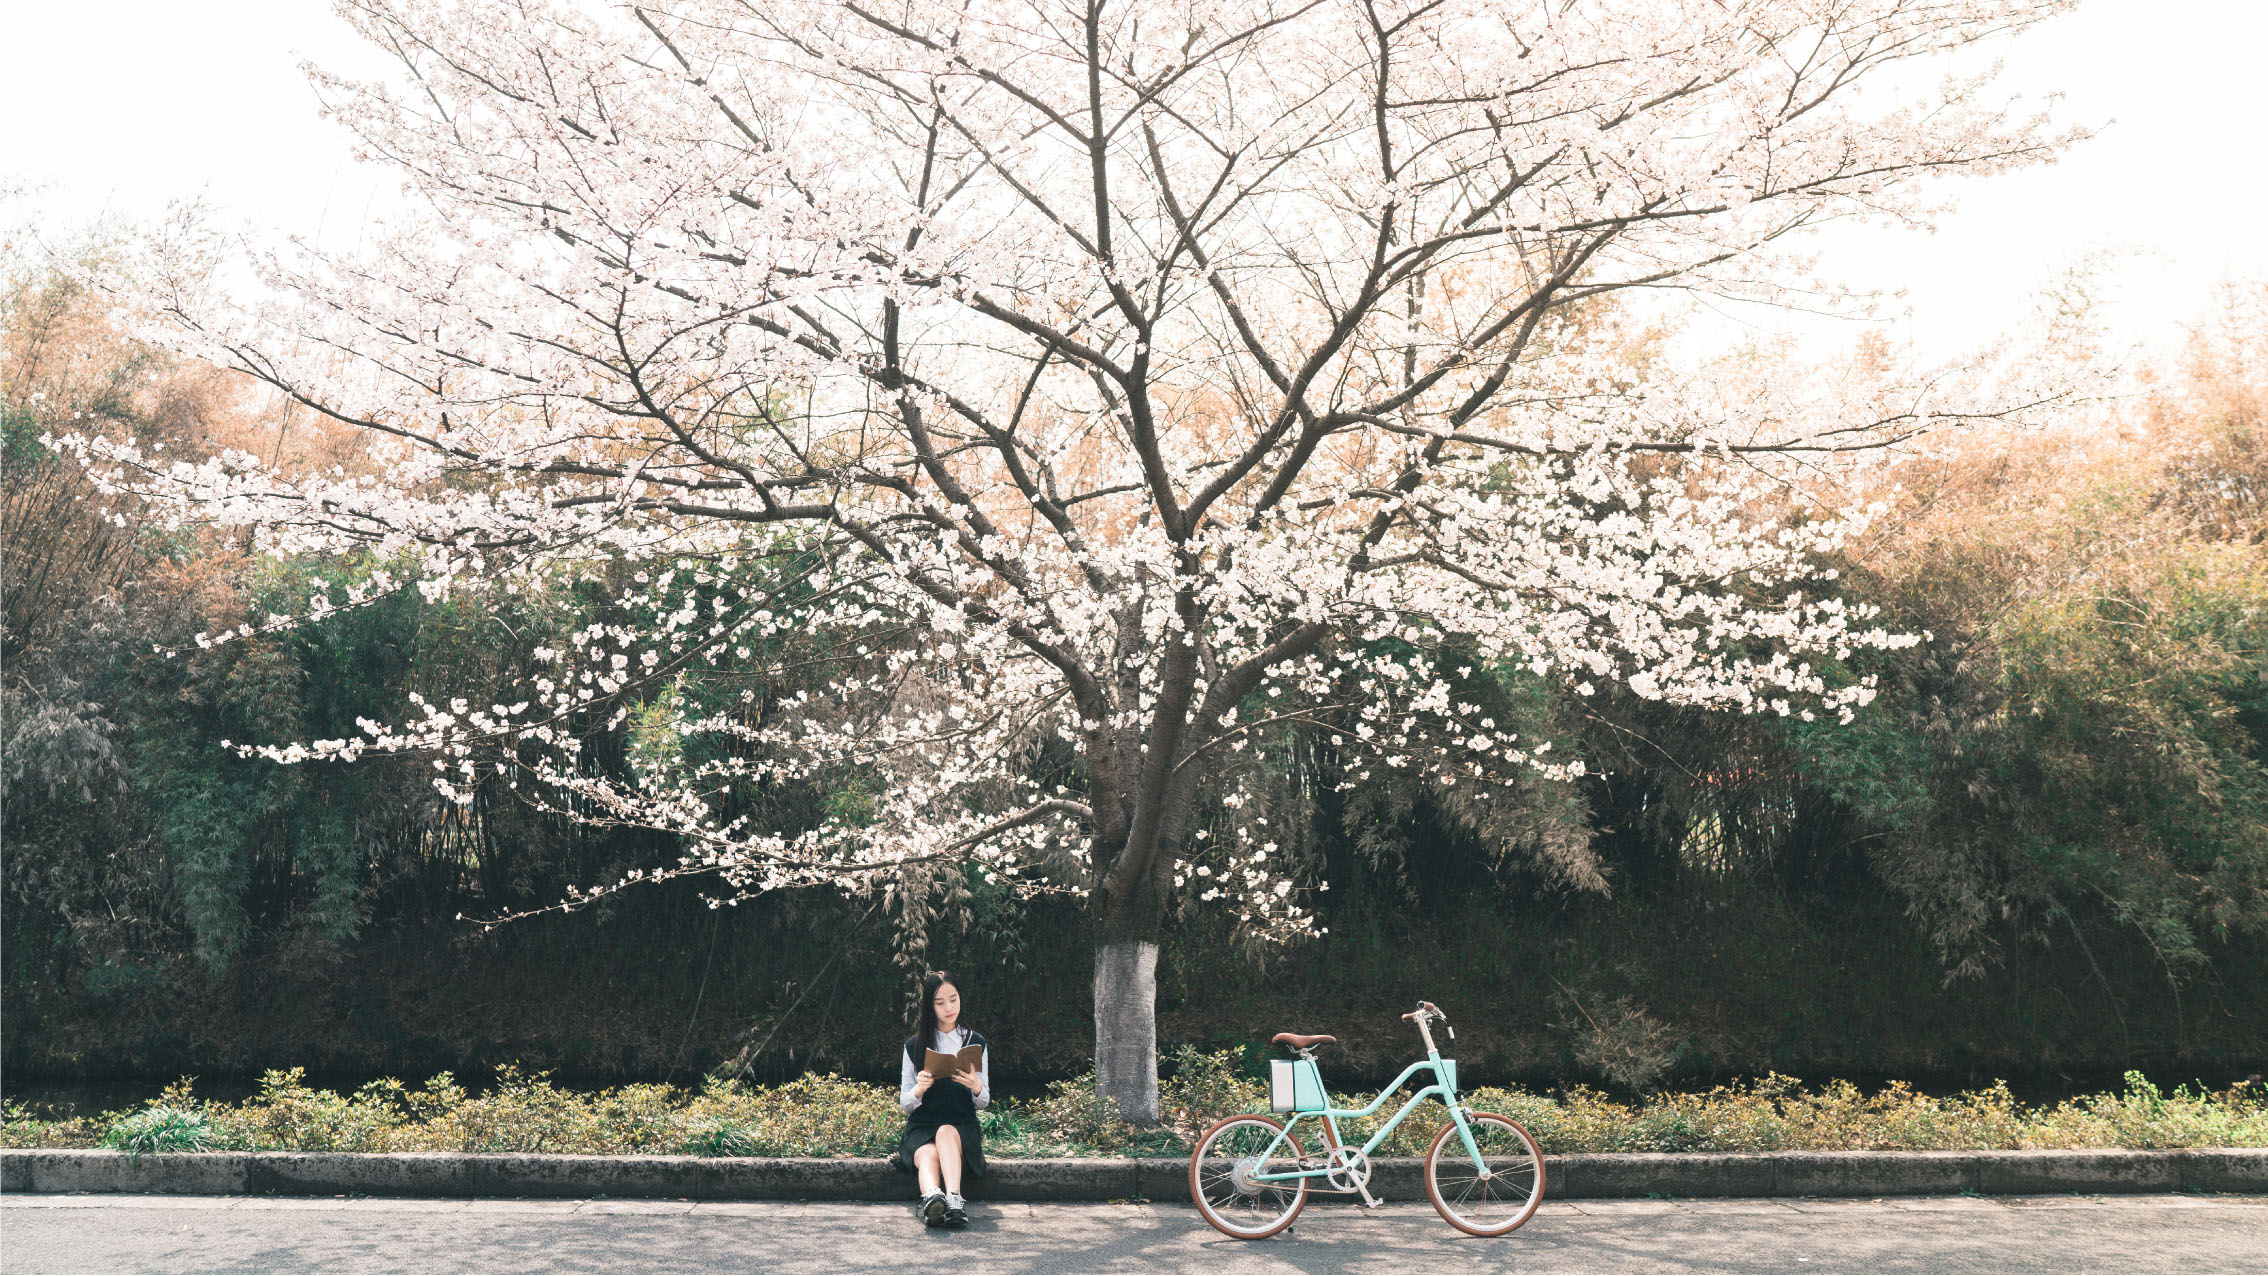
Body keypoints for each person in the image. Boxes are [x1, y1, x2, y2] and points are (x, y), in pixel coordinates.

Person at [893, 970, 989, 1227]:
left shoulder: (975, 1042)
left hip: (960, 1124)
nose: (949, 1007)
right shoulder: (914, 1045)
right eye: (940, 1002)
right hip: (923, 1124)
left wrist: (976, 1086)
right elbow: (905, 1103)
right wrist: (919, 1090)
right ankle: (933, 1197)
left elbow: (984, 1101)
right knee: (927, 1153)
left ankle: (954, 1199)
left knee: (946, 1132)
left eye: (953, 999)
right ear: (929, 1006)